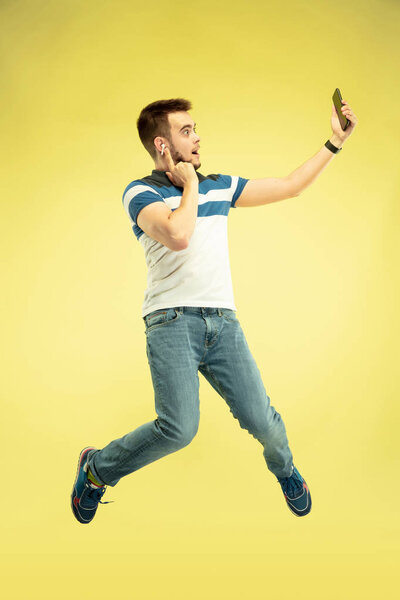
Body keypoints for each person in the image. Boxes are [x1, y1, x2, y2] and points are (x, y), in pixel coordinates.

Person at [71, 97, 357, 524]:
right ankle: (96, 471)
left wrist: (334, 143)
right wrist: (188, 186)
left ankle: (287, 473)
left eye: (195, 128)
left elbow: (291, 185)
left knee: (263, 420)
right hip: (171, 323)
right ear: (162, 145)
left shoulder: (221, 185)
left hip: (223, 324)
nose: (198, 136)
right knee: (178, 430)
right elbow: (178, 234)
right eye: (186, 131)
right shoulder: (141, 192)